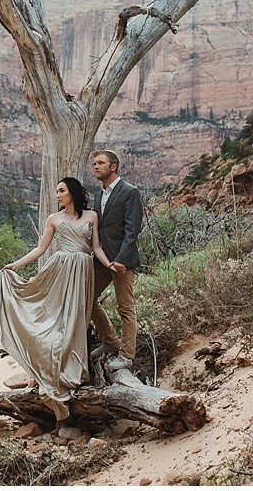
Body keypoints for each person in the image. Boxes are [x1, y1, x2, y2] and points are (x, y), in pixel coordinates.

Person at [0, 177, 117, 421]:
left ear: (73, 192)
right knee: (55, 314)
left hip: (83, 269)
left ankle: (80, 360)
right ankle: (51, 362)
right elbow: (40, 249)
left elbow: (96, 246)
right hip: (60, 269)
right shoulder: (53, 219)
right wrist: (15, 264)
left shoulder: (92, 216)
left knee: (79, 314)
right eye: (56, 191)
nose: (57, 194)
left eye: (61, 190)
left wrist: (109, 264)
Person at [87, 150, 142, 364]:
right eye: (94, 163)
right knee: (88, 299)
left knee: (125, 307)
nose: (96, 167)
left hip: (122, 262)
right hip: (102, 261)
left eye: (100, 163)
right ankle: (110, 340)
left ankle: (127, 355)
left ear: (113, 167)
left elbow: (132, 230)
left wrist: (121, 259)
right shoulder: (100, 194)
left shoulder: (130, 192)